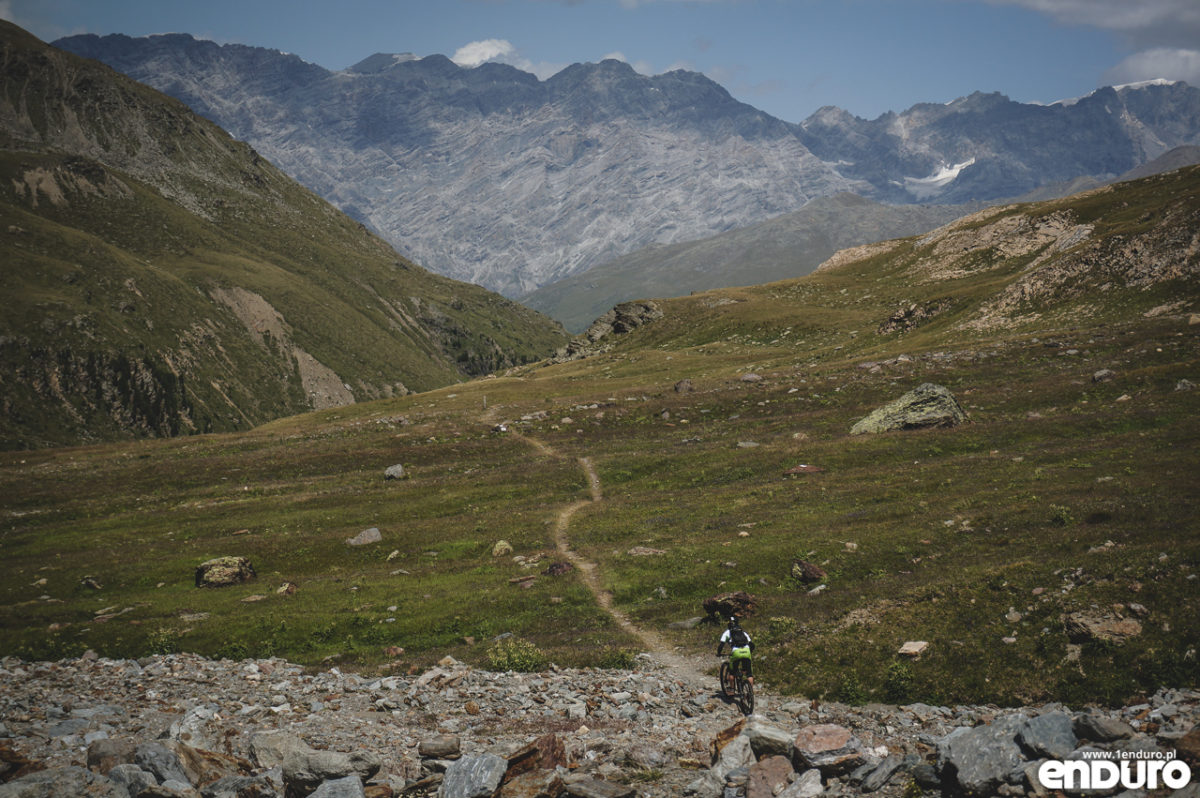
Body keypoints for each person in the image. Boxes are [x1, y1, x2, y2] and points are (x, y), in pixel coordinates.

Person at [716, 616, 755, 686]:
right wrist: (749, 653)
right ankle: (750, 693)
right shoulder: (743, 632)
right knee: (749, 674)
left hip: (736, 652)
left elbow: (721, 645)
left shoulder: (727, 632)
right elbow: (752, 645)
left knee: (732, 673)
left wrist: (718, 653)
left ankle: (731, 690)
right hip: (747, 651)